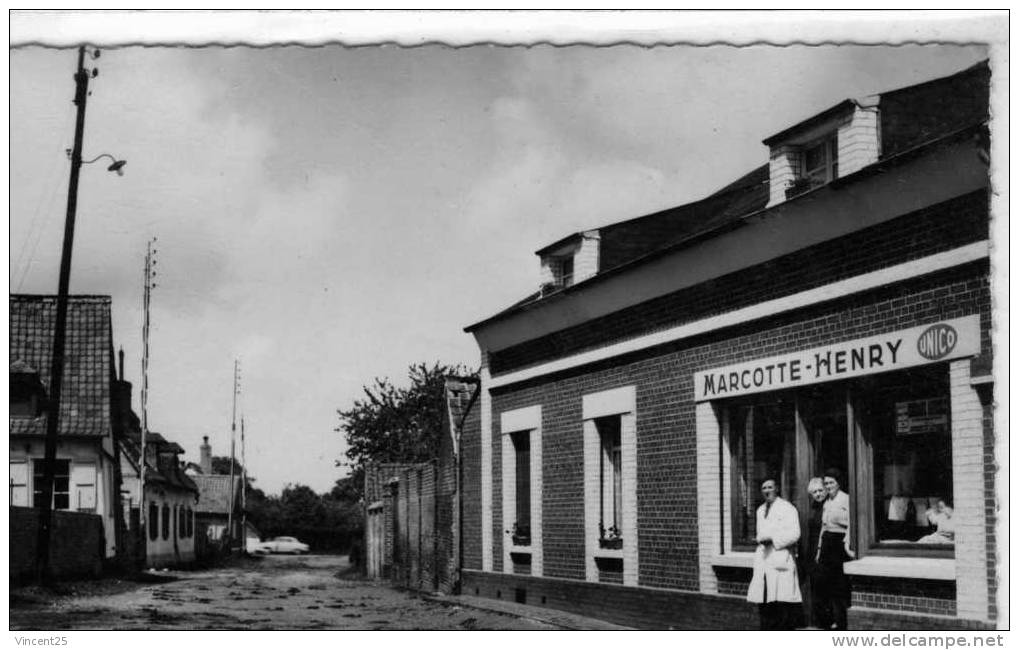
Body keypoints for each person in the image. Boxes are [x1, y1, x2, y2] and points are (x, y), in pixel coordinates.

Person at [747, 478, 802, 630]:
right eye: (764, 488)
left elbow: (795, 534)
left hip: (780, 558)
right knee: (764, 602)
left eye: (770, 487)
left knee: (781, 603)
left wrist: (773, 539)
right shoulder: (760, 510)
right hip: (764, 560)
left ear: (776, 489)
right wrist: (760, 539)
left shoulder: (787, 508)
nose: (767, 491)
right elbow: (760, 533)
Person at [816, 468, 853, 630]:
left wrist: (847, 544)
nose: (828, 486)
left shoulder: (846, 499)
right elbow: (823, 527)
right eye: (826, 483)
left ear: (838, 483)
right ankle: (829, 621)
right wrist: (818, 550)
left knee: (839, 585)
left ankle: (842, 623)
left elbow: (853, 524)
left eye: (831, 482)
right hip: (827, 543)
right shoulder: (827, 502)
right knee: (825, 584)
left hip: (839, 544)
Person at [800, 477, 829, 629]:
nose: (818, 494)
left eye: (820, 491)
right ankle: (819, 623)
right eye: (814, 492)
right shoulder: (814, 508)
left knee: (825, 590)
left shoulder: (829, 506)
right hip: (813, 553)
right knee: (816, 590)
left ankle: (827, 623)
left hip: (824, 552)